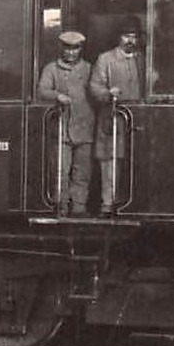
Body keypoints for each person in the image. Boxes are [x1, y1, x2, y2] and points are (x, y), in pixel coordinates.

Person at [89, 19, 145, 214]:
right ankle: (107, 204)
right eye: (126, 36)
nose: (130, 40)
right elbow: (95, 87)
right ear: (118, 37)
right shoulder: (105, 59)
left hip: (137, 121)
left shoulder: (143, 59)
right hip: (112, 118)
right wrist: (107, 93)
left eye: (134, 36)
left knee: (133, 161)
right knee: (109, 162)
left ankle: (129, 205)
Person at [36, 30, 94, 215]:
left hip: (85, 128)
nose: (71, 52)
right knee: (61, 170)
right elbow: (42, 90)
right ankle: (61, 208)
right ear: (61, 48)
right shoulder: (51, 69)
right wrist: (57, 95)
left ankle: (78, 209)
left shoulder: (89, 69)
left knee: (82, 173)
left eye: (75, 48)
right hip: (62, 129)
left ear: (81, 49)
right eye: (67, 48)